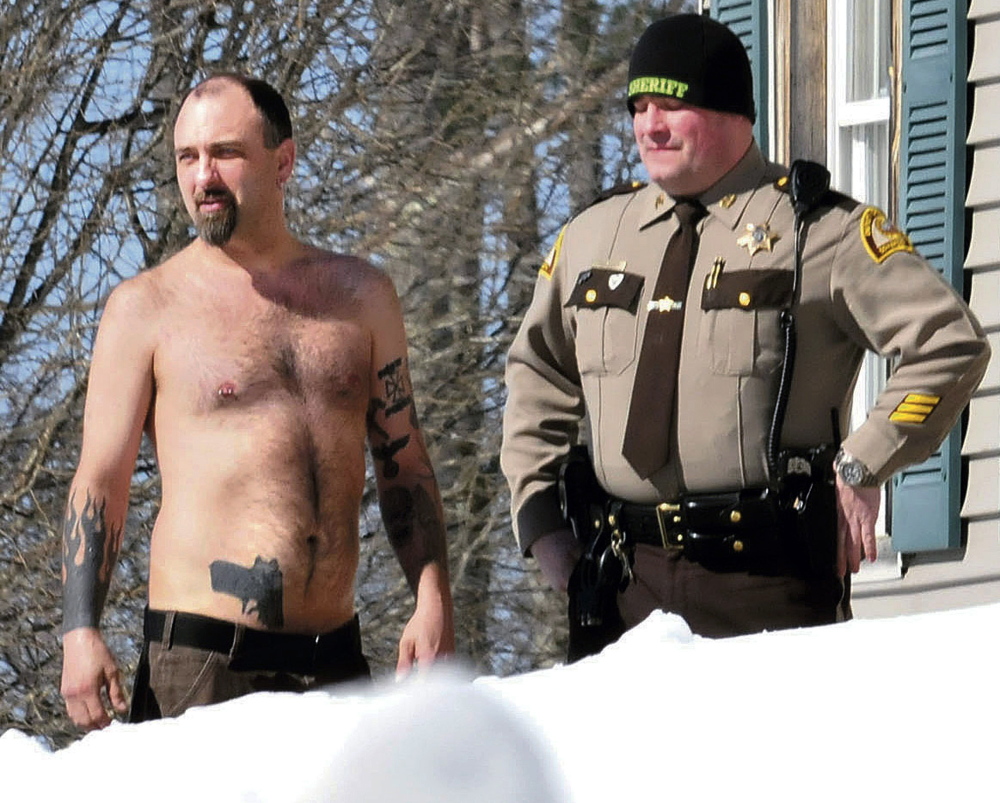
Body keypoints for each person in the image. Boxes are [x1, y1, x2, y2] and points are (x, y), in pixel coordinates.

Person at [500, 14, 990, 657]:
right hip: (621, 583)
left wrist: (866, 459)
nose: (649, 126)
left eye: (672, 105)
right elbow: (537, 375)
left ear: (733, 110)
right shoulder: (593, 237)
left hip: (766, 584)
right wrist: (541, 526)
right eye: (638, 107)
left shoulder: (820, 229)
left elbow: (949, 343)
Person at [60, 73, 455, 730]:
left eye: (225, 153)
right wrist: (80, 630)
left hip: (335, 660)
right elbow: (101, 482)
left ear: (284, 161)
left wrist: (433, 591)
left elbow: (404, 465)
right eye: (187, 157)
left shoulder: (361, 297)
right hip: (205, 664)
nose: (203, 176)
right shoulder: (146, 309)